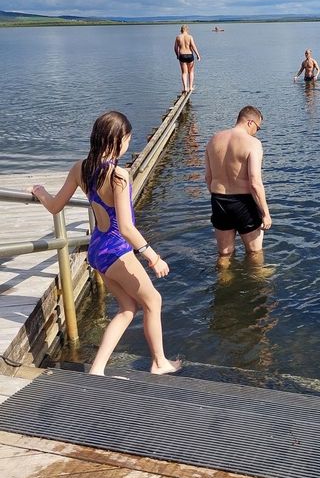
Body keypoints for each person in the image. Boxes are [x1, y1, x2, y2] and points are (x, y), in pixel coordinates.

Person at [30, 111, 180, 376]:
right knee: (153, 301)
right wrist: (153, 257)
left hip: (97, 250)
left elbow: (55, 207)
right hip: (117, 250)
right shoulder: (118, 176)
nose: (128, 144)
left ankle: (97, 368)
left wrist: (41, 193)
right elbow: (125, 227)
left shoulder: (81, 168)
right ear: (118, 140)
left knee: (127, 308)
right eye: (128, 139)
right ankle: (159, 362)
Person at [205, 106, 271, 265]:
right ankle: (258, 286)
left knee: (224, 255)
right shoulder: (252, 143)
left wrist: (218, 197)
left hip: (219, 200)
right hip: (243, 204)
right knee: (255, 253)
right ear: (250, 122)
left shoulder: (214, 139)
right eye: (258, 127)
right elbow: (255, 182)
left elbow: (208, 177)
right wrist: (266, 213)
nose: (257, 131)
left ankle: (224, 285)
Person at [174, 24, 201, 93]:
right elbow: (193, 46)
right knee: (191, 72)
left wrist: (177, 55)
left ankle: (185, 88)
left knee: (184, 73)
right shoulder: (190, 37)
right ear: (187, 30)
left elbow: (175, 48)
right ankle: (190, 87)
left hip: (182, 55)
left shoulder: (178, 37)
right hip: (189, 55)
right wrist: (198, 55)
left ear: (181, 30)